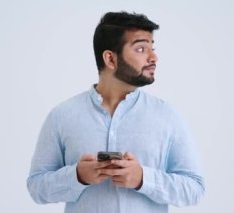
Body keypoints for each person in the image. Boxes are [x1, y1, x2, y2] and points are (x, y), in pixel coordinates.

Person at [27, 11, 205, 213]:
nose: (153, 57)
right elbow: (36, 187)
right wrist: (76, 176)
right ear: (110, 59)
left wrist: (143, 178)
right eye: (141, 49)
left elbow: (194, 189)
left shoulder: (167, 116)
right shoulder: (61, 116)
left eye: (152, 48)